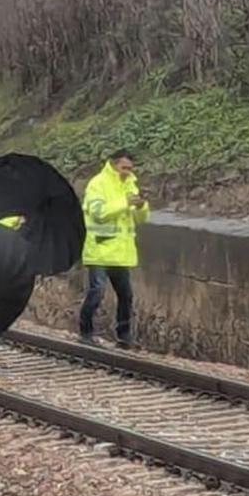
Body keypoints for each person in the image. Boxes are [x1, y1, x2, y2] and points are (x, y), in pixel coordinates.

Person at [78, 149, 149, 348]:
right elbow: (98, 212)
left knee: (126, 296)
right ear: (113, 164)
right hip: (99, 250)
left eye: (130, 168)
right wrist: (125, 202)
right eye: (124, 168)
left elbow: (140, 219)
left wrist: (141, 206)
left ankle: (124, 336)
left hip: (120, 253)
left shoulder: (130, 184)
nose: (127, 172)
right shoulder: (98, 184)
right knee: (97, 292)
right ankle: (85, 333)